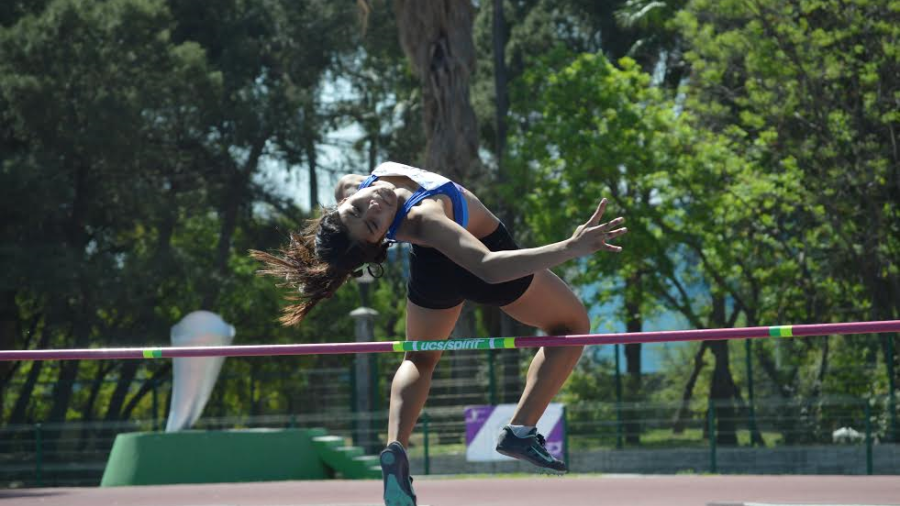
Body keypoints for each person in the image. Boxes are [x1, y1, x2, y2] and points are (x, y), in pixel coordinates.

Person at [251, 161, 626, 506]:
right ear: (382, 239)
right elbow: (488, 267)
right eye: (372, 224)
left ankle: (396, 447)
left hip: (432, 273)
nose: (374, 207)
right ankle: (521, 429)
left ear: (344, 201)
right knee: (572, 327)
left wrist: (338, 237)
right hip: (486, 263)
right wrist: (570, 247)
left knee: (419, 356)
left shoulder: (351, 185)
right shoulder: (425, 218)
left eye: (357, 209)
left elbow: (346, 207)